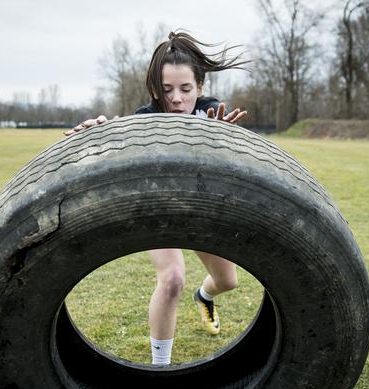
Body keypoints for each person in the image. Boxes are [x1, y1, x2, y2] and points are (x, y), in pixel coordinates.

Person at [65, 31, 249, 366]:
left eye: (185, 89)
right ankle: (159, 370)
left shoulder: (214, 118)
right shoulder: (144, 122)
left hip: (198, 208)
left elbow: (246, 169)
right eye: (167, 90)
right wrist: (98, 133)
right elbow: (116, 142)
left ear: (200, 88)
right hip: (157, 210)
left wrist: (225, 141)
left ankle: (204, 297)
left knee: (228, 281)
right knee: (172, 278)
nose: (177, 99)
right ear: (154, 90)